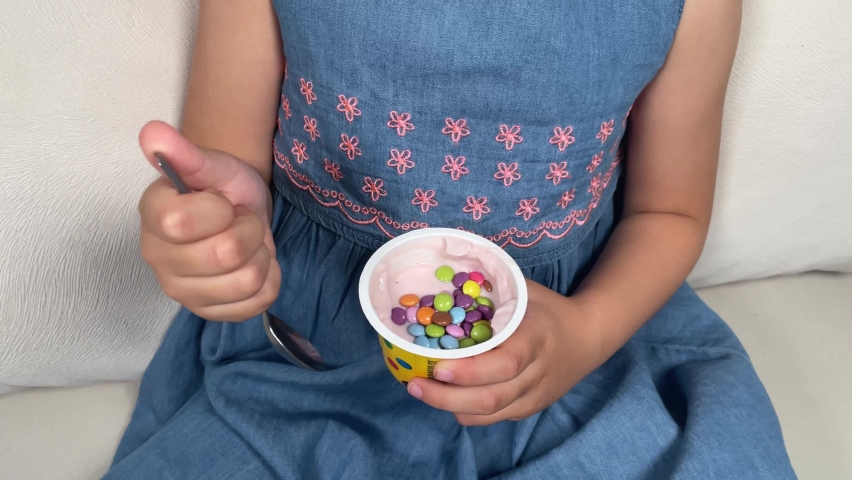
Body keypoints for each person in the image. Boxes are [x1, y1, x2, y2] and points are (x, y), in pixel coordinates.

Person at [106, 0, 795, 478]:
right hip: (304, 358)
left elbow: (670, 214)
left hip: (581, 346)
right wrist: (219, 238)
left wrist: (585, 333)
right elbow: (223, 177)